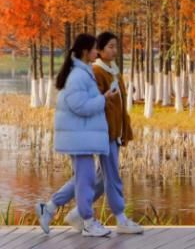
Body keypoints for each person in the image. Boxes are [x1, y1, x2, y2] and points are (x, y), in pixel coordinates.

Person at [60, 32, 143, 235]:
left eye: (116, 46)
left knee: (97, 179)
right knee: (110, 176)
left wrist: (124, 130)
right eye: (110, 47)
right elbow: (96, 104)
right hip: (103, 132)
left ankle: (74, 212)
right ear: (99, 50)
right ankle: (121, 218)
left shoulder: (112, 70)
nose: (115, 50)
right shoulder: (97, 71)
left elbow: (119, 106)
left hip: (113, 131)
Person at [35, 33, 113, 237]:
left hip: (81, 136)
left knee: (82, 178)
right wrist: (103, 99)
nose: (98, 52)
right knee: (86, 180)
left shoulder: (83, 72)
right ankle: (88, 222)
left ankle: (50, 208)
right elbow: (79, 106)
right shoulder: (78, 76)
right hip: (79, 137)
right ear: (86, 51)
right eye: (95, 48)